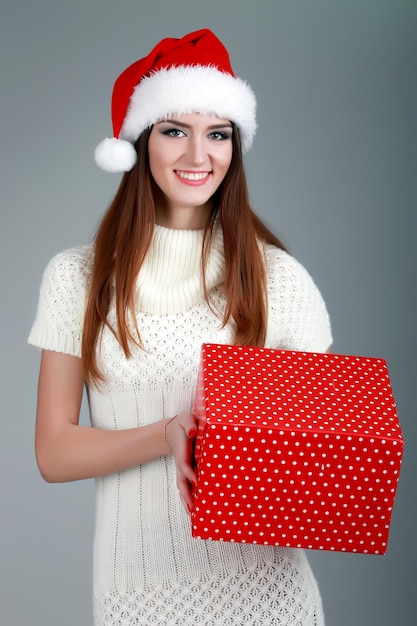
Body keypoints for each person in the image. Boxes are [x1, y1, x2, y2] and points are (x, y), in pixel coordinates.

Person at [29, 28, 332, 626]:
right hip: (138, 599)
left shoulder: (281, 280)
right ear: (140, 141)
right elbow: (54, 451)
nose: (199, 157)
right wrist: (169, 432)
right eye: (175, 131)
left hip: (272, 600)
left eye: (217, 133)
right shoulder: (76, 279)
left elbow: (321, 459)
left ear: (235, 145)